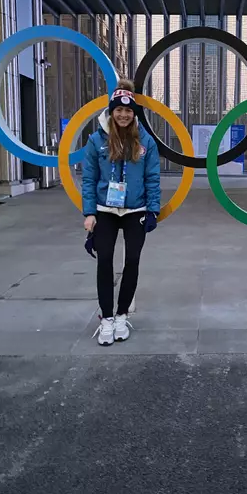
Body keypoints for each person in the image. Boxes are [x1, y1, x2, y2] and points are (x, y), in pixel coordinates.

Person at [82, 78, 161, 346]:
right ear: (112, 110)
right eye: (119, 109)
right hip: (105, 210)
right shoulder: (96, 140)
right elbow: (89, 179)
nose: (124, 115)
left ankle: (121, 315)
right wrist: (89, 212)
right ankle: (105, 318)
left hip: (135, 209)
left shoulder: (145, 141)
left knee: (133, 262)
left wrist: (152, 211)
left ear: (134, 112)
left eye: (128, 110)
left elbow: (152, 178)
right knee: (104, 261)